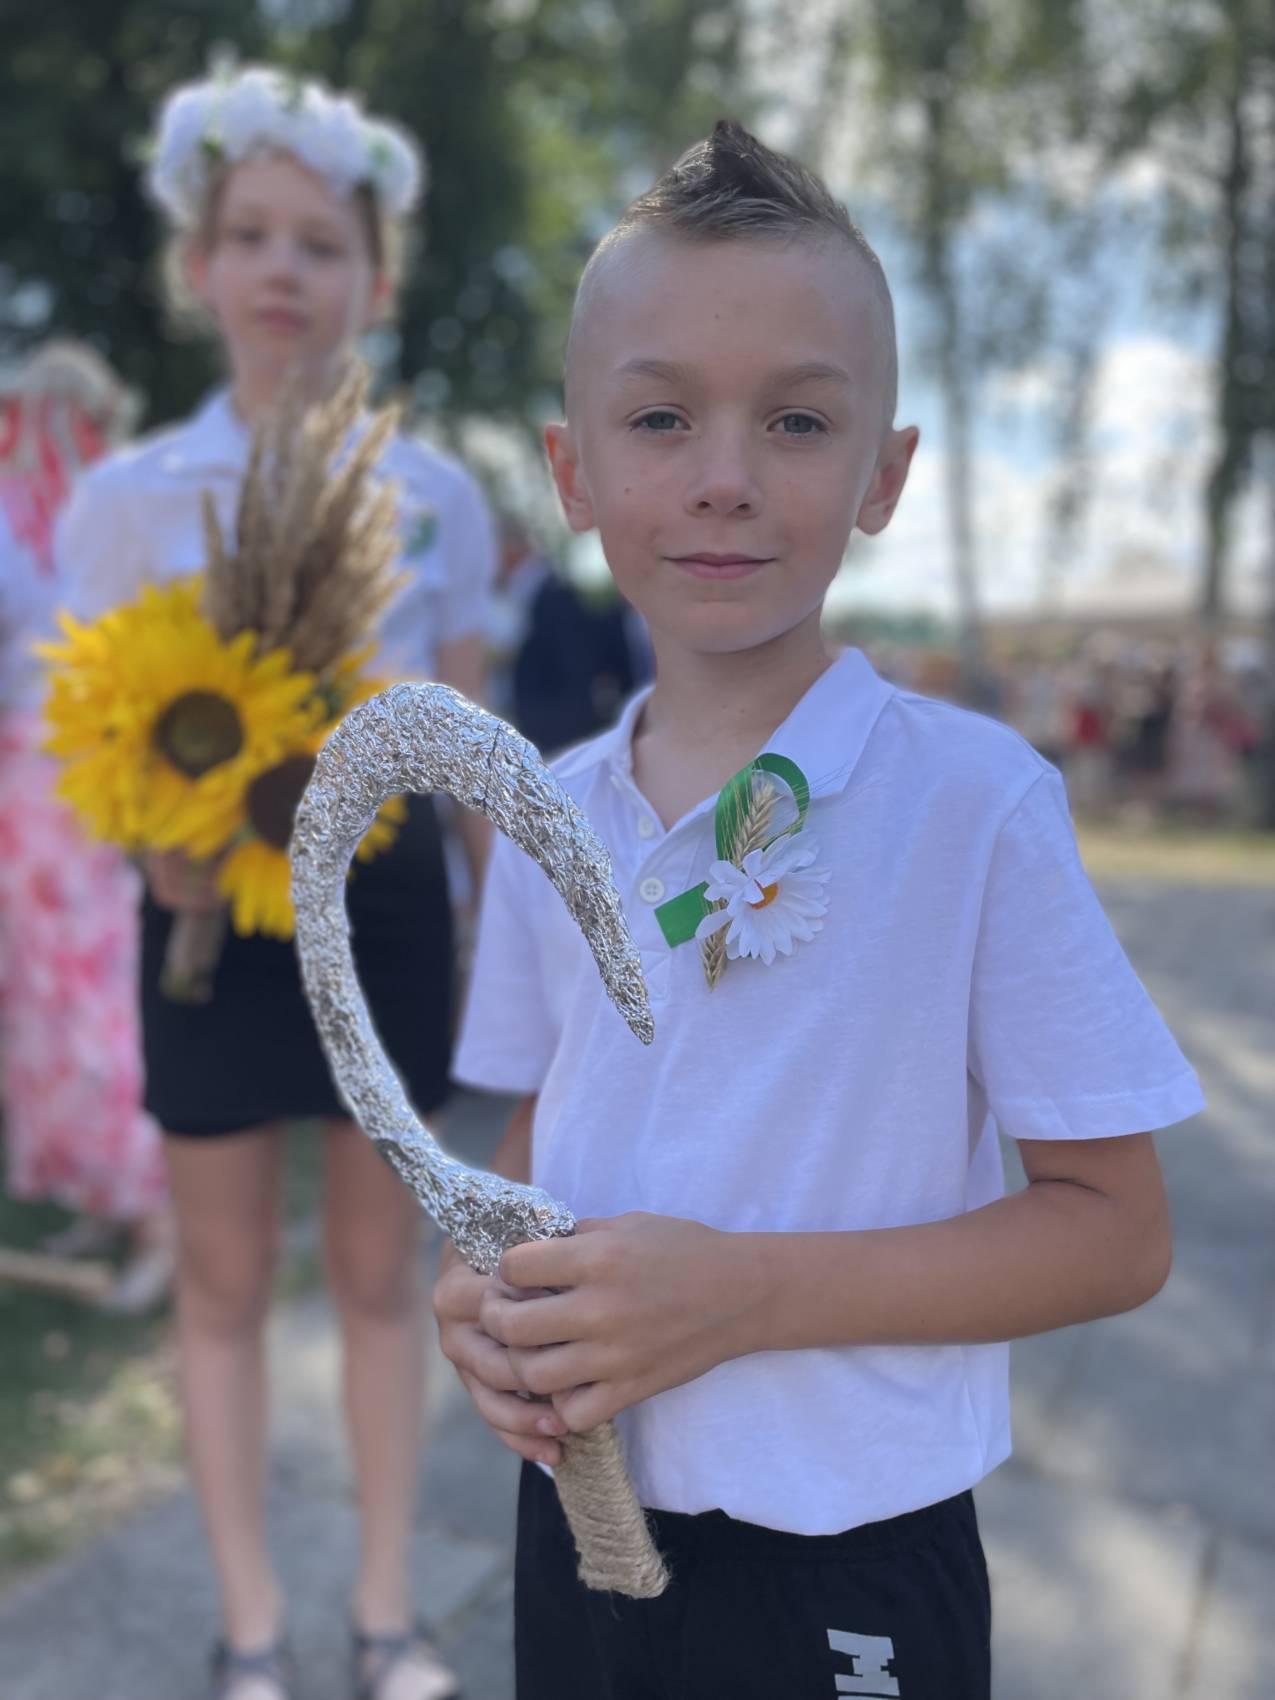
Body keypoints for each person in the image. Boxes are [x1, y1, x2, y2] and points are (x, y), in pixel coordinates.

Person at [435, 122, 1204, 1700]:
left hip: (847, 1542)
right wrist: (490, 1298)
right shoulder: (538, 810)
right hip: (578, 1508)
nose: (723, 477)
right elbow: (535, 1134)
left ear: (882, 475)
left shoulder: (972, 802)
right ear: (572, 471)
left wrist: (748, 1298)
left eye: (794, 419)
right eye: (659, 417)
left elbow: (1114, 1231)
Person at [56, 66, 494, 1700]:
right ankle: (249, 1623)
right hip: (204, 921)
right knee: (225, 1282)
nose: (284, 270)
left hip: (387, 917)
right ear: (199, 264)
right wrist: (152, 855)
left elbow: (467, 762)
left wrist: (507, 953)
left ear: (375, 280)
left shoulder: (438, 499)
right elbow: (88, 740)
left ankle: (383, 1612)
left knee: (382, 1278)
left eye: (322, 242)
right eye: (250, 234)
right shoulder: (125, 503)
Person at [0, 341, 173, 1313]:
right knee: (67, 990)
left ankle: (154, 1215)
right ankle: (110, 1202)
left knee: (75, 994)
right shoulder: (107, 515)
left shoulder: (34, 519)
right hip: (74, 777)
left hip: (47, 779)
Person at [488, 513, 651, 757]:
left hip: (558, 749)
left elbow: (577, 682)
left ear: (509, 551)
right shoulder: (530, 597)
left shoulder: (556, 599)